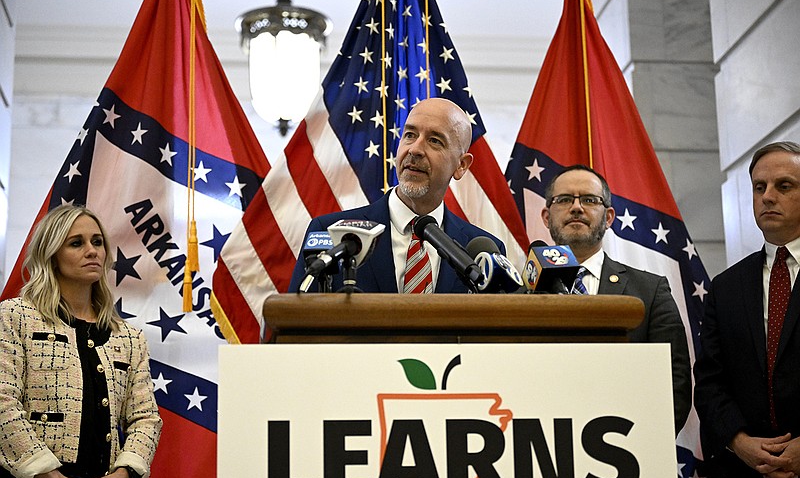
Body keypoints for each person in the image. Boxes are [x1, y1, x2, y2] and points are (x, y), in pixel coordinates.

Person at [0, 205, 162, 478]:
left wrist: (124, 475)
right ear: (52, 254)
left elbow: (146, 418)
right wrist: (53, 477)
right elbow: (3, 402)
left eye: (97, 242)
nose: (92, 251)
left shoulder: (129, 337)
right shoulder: (15, 316)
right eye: (76, 243)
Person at [288, 97, 505, 293]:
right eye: (410, 135)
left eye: (435, 141)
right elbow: (295, 325)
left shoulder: (483, 255)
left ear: (461, 165)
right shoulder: (330, 233)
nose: (415, 150)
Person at [540, 165, 692, 434]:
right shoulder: (522, 292)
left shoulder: (650, 290)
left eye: (589, 200)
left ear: (609, 217)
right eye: (564, 200)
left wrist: (645, 442)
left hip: (629, 449)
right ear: (546, 216)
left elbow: (674, 382)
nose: (576, 208)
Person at [694, 141, 800, 478]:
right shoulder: (725, 288)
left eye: (784, 186)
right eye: (759, 187)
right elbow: (709, 382)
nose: (768, 197)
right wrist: (739, 442)